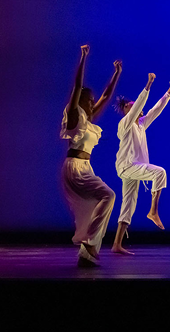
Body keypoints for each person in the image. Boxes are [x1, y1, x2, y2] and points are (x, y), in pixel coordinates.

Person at [61, 45, 121, 267]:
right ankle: (89, 246)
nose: (90, 102)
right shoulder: (75, 117)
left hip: (85, 167)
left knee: (99, 203)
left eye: (91, 100)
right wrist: (83, 57)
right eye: (87, 99)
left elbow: (106, 96)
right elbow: (76, 87)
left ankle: (87, 252)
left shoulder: (88, 120)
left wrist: (117, 73)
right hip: (75, 167)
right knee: (109, 195)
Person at [112, 73, 170, 255]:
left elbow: (155, 111)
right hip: (127, 166)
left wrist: (169, 92)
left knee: (128, 204)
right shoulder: (124, 124)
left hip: (132, 169)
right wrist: (148, 84)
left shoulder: (141, 124)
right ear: (126, 110)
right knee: (160, 173)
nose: (136, 108)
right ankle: (153, 211)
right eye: (131, 106)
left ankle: (117, 244)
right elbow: (137, 108)